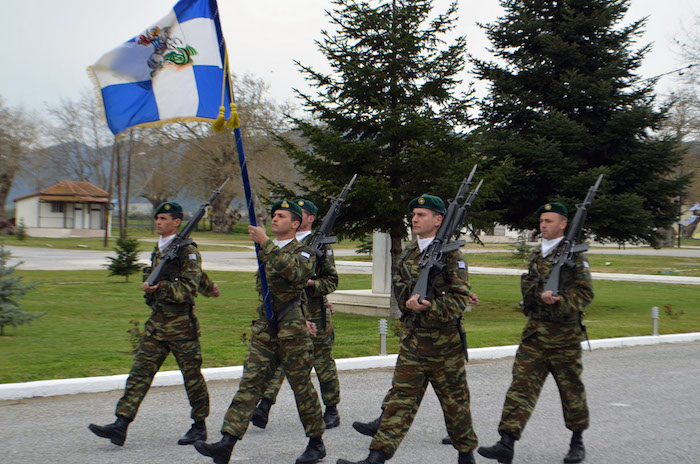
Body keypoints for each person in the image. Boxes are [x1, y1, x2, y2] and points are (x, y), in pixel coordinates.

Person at [337, 194, 479, 464]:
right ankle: (375, 457)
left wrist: (430, 306)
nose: (414, 219)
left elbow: (460, 300)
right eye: (413, 214)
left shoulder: (452, 255)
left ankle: (465, 455)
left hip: (444, 346)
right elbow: (401, 293)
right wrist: (410, 308)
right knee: (399, 401)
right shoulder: (410, 252)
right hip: (414, 341)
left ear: (438, 220)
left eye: (421, 215)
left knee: (455, 405)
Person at [194, 200, 326, 464]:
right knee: (250, 384)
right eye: (273, 215)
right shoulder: (266, 249)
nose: (274, 219)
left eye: (281, 216)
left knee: (302, 388)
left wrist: (265, 243)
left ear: (295, 223)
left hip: (292, 334)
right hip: (266, 330)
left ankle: (316, 443)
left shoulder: (305, 251)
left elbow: (297, 275)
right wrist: (266, 245)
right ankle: (227, 442)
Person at [88, 201, 219, 447]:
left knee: (191, 377)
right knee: (140, 373)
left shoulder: (187, 250)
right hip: (157, 324)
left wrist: (161, 287)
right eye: (157, 218)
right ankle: (121, 424)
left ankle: (199, 426)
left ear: (177, 222)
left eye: (163, 218)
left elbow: (188, 288)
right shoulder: (160, 249)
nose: (158, 222)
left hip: (181, 325)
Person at [477, 202, 594, 464]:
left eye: (549, 221)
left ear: (563, 224)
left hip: (564, 338)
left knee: (570, 390)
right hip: (535, 336)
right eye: (541, 221)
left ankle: (577, 442)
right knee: (520, 388)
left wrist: (560, 300)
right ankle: (506, 442)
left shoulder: (575, 256)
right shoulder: (537, 255)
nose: (543, 225)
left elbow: (586, 294)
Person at [251, 198, 341, 430]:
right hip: (286, 313)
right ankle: (265, 405)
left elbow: (331, 281)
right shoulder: (282, 245)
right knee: (281, 360)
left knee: (322, 363)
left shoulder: (319, 245)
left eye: (299, 213)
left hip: (314, 312)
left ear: (309, 219)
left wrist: (311, 284)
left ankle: (331, 408)